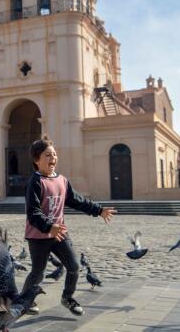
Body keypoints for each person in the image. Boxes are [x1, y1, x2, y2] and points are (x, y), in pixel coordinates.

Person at [21, 135, 116, 317]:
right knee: (38, 273)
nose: (53, 158)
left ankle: (67, 298)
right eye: (48, 155)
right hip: (38, 235)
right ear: (36, 160)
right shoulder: (35, 182)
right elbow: (33, 213)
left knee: (74, 266)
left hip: (59, 234)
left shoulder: (62, 180)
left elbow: (77, 201)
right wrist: (49, 226)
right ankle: (25, 300)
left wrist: (99, 210)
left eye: (54, 154)